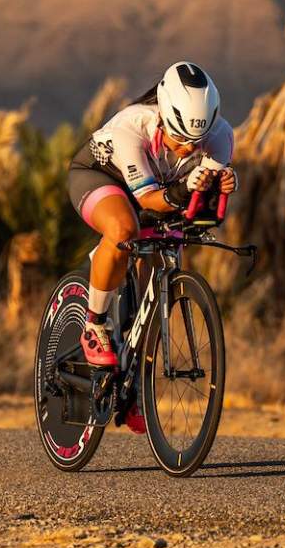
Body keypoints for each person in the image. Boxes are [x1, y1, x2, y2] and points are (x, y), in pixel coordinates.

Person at [67, 61, 239, 391]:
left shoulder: (220, 136)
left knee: (160, 273)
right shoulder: (132, 126)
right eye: (180, 139)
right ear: (163, 115)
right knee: (123, 229)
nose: (188, 149)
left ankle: (135, 388)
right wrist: (185, 188)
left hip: (160, 191)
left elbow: (201, 197)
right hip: (102, 177)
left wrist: (225, 182)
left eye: (196, 141)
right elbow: (149, 201)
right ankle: (95, 325)